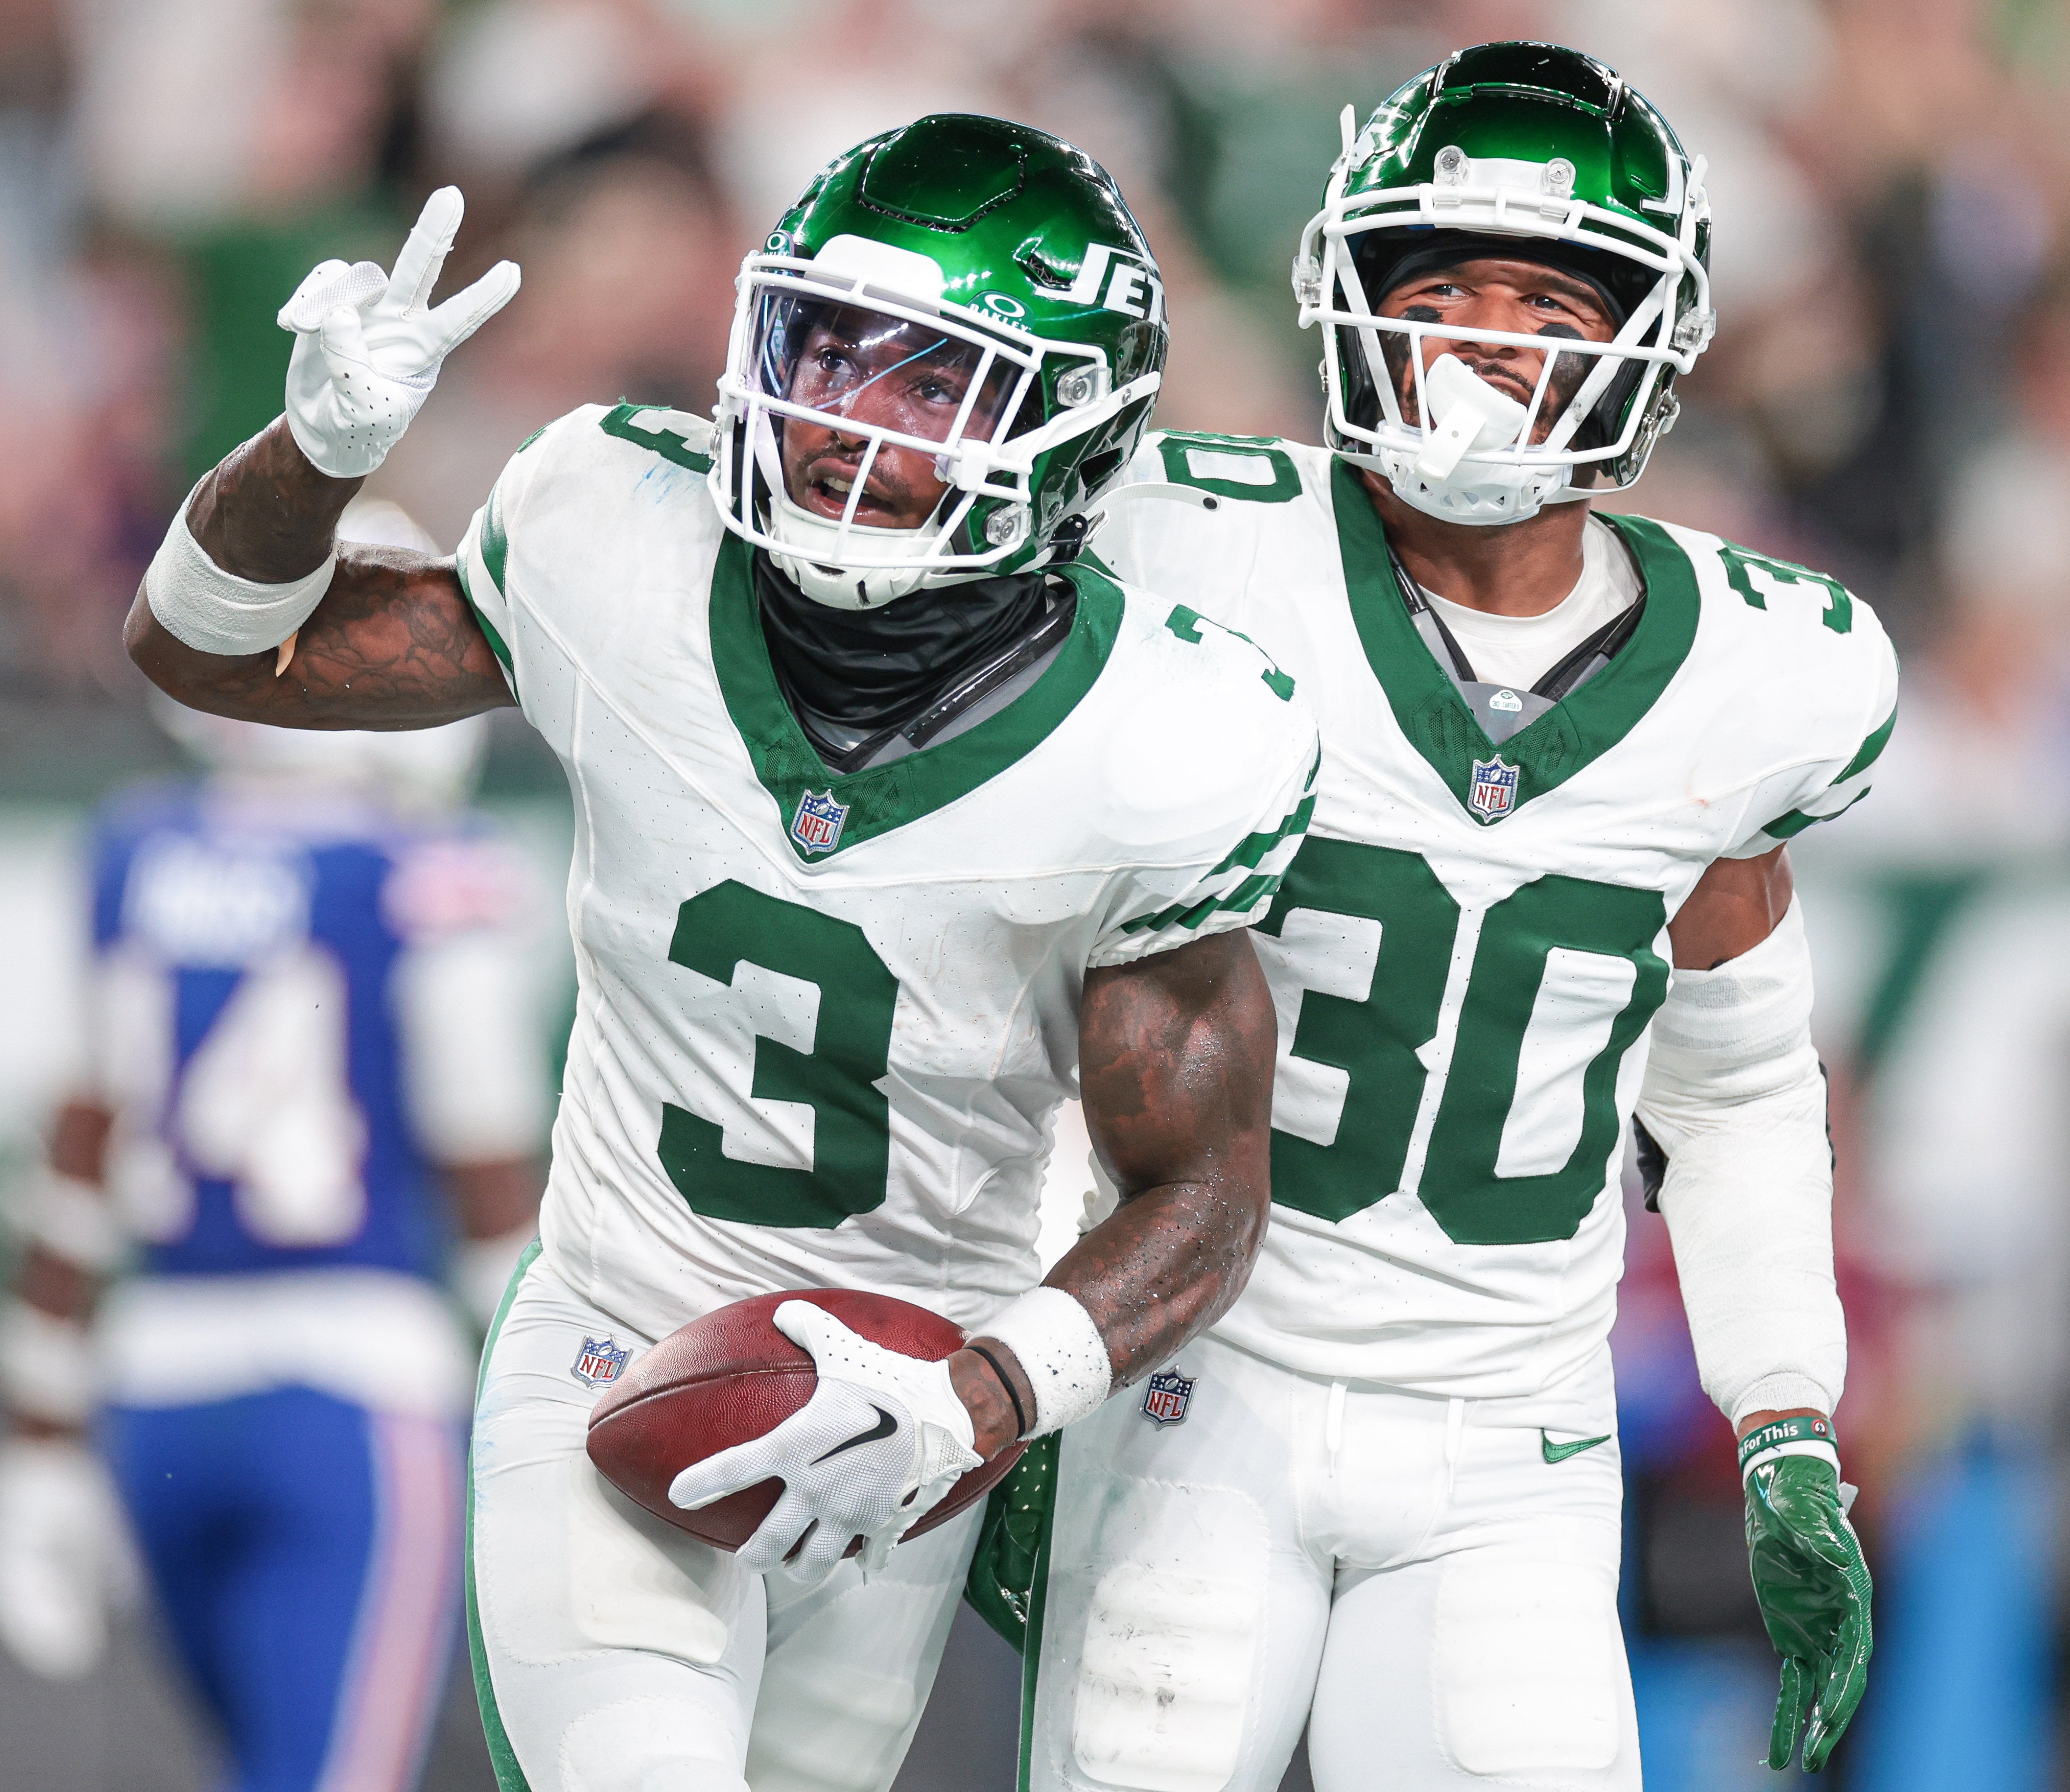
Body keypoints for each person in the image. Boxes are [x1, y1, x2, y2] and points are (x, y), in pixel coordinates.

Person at [122, 114, 1319, 1792]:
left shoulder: (1159, 742)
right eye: (826, 352)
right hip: (620, 1342)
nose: (844, 420)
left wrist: (982, 1398)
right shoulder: (615, 535)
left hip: (906, 1407)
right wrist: (313, 451)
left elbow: (1201, 1192)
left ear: (1070, 435)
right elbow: (208, 652)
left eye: (929, 382)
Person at [1005, 43, 1891, 1789]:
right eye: (1442, 287)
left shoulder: (1756, 676)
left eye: (1546, 298)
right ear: (1350, 303)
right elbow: (1020, 969)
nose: (1486, 337)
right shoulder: (1187, 546)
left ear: (1640, 342)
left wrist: (1782, 1414)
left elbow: (1728, 1091)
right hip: (1201, 1390)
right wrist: (1022, 1344)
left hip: (1510, 1439)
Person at [0, 642, 549, 1792]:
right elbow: (488, 1187)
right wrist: (549, 1422)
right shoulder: (426, 872)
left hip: (156, 1401)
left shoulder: (140, 851)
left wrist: (39, 1437)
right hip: (353, 1405)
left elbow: (76, 1166)